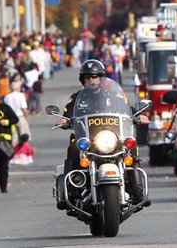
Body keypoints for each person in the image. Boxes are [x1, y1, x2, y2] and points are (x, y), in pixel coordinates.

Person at [55, 59, 150, 205]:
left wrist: (139, 116)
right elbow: (67, 113)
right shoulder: (77, 98)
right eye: (88, 77)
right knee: (73, 148)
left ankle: (137, 190)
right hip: (88, 138)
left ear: (101, 78)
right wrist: (64, 120)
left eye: (95, 76)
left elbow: (129, 110)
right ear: (83, 80)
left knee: (131, 146)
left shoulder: (114, 96)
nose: (92, 80)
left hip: (112, 137)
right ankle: (70, 191)